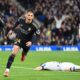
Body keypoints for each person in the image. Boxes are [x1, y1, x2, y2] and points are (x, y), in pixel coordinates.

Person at [4, 10, 40, 77]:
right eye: (28, 15)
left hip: (27, 42)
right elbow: (17, 23)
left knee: (24, 53)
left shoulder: (35, 26)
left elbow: (37, 35)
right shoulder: (21, 19)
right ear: (25, 15)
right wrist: (12, 29)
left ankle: (24, 54)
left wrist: (31, 42)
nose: (30, 17)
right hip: (19, 39)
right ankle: (7, 70)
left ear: (33, 17)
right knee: (13, 53)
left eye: (31, 16)